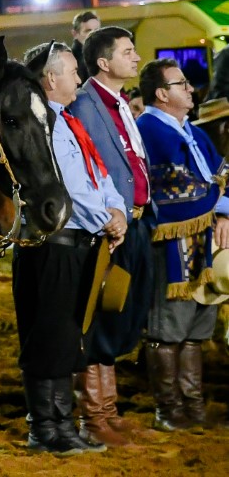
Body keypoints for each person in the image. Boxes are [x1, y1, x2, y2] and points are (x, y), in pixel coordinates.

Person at [16, 42, 128, 453]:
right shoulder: (42, 125)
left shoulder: (67, 123)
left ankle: (61, 425)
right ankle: (45, 429)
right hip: (53, 244)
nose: (79, 79)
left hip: (79, 241)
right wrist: (106, 220)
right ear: (50, 78)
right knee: (50, 335)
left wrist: (117, 211)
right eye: (71, 71)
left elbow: (100, 176)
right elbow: (68, 186)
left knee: (67, 337)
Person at [66, 25, 155, 437]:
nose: (136, 57)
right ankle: (95, 417)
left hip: (136, 222)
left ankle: (109, 412)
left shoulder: (117, 103)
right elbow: (91, 167)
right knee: (99, 318)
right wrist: (108, 216)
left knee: (120, 315)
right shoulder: (86, 105)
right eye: (128, 51)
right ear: (104, 63)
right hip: (109, 228)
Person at [135, 57, 229, 431]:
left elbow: (222, 175)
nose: (190, 88)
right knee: (167, 328)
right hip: (170, 246)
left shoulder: (192, 131)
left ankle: (194, 407)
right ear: (162, 93)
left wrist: (222, 212)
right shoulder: (151, 130)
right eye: (181, 83)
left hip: (205, 242)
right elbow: (177, 190)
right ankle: (169, 410)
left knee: (195, 329)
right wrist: (218, 201)